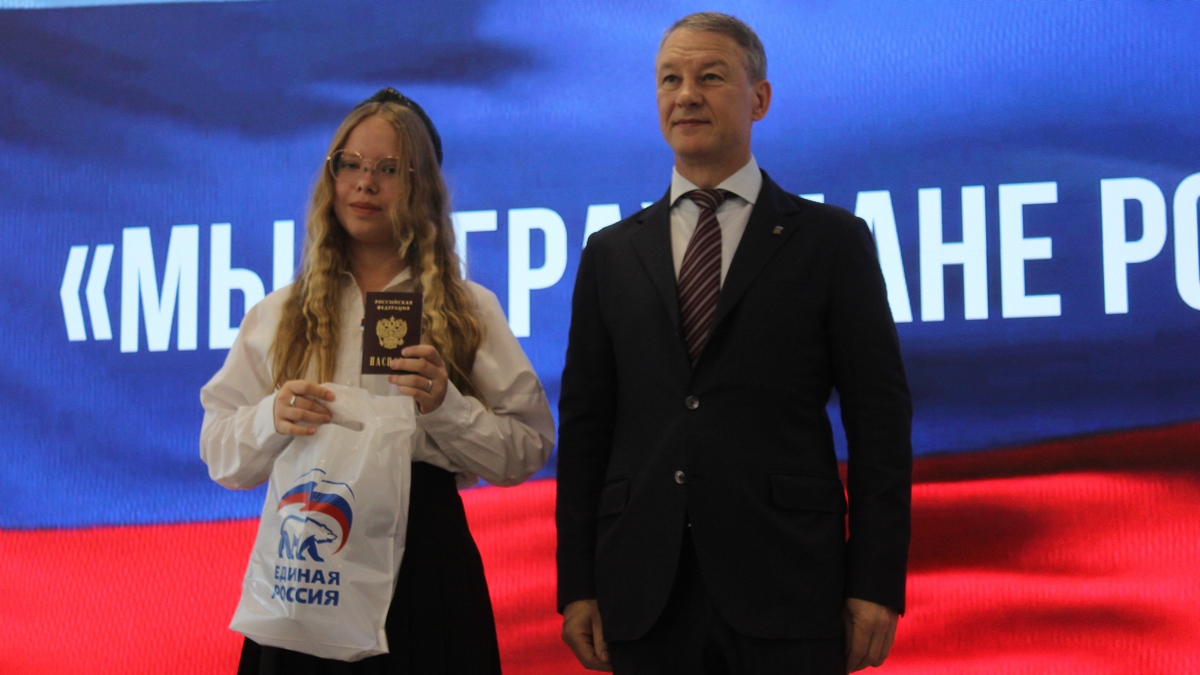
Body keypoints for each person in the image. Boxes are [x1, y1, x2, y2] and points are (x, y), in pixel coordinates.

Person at [556, 12, 912, 675]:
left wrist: (876, 581)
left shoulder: (831, 242)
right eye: (670, 79)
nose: (686, 95)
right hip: (644, 591)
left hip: (788, 584)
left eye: (710, 77)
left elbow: (880, 422)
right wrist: (577, 584)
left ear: (760, 98)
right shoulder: (610, 254)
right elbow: (585, 429)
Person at [200, 88, 555, 674]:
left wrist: (446, 407)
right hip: (307, 562)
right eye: (351, 164)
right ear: (331, 176)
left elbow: (528, 449)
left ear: (423, 187)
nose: (364, 184)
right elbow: (220, 453)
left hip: (423, 564)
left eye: (389, 170)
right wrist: (271, 418)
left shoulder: (469, 310)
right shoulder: (279, 313)